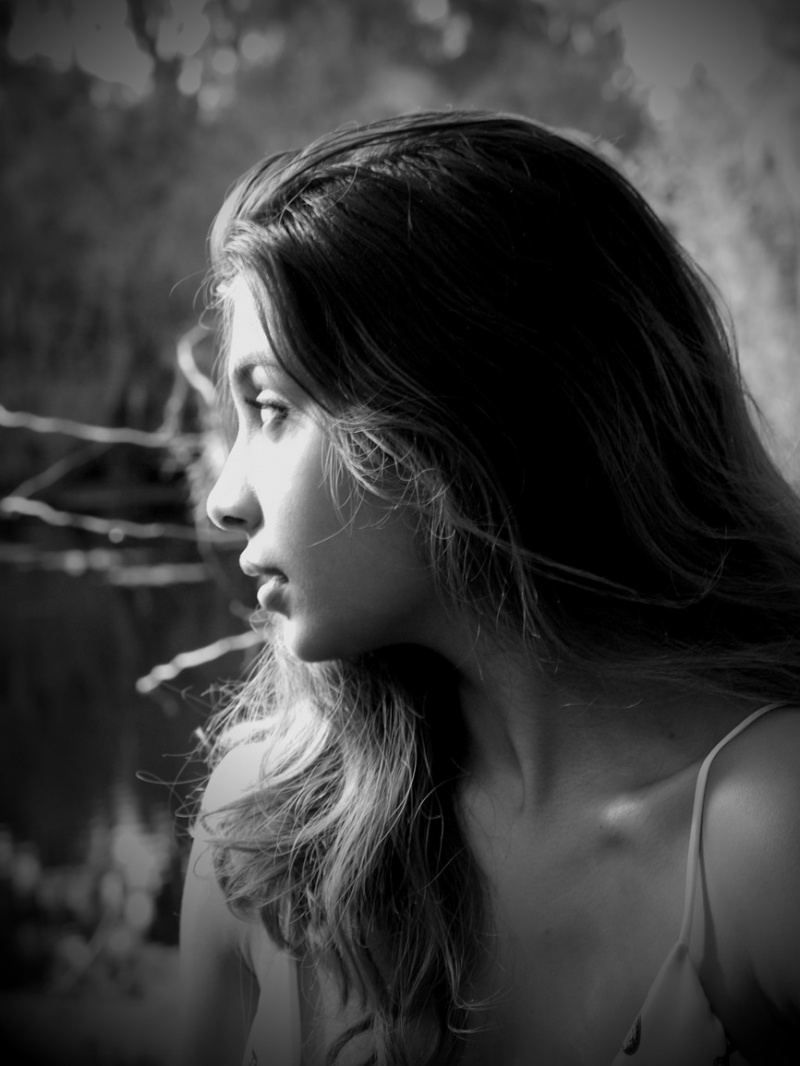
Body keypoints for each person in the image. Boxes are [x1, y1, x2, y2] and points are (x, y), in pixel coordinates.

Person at [177, 110, 800, 1066]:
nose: (225, 499)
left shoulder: (765, 836)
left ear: (465, 412)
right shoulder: (263, 834)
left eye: (271, 406)